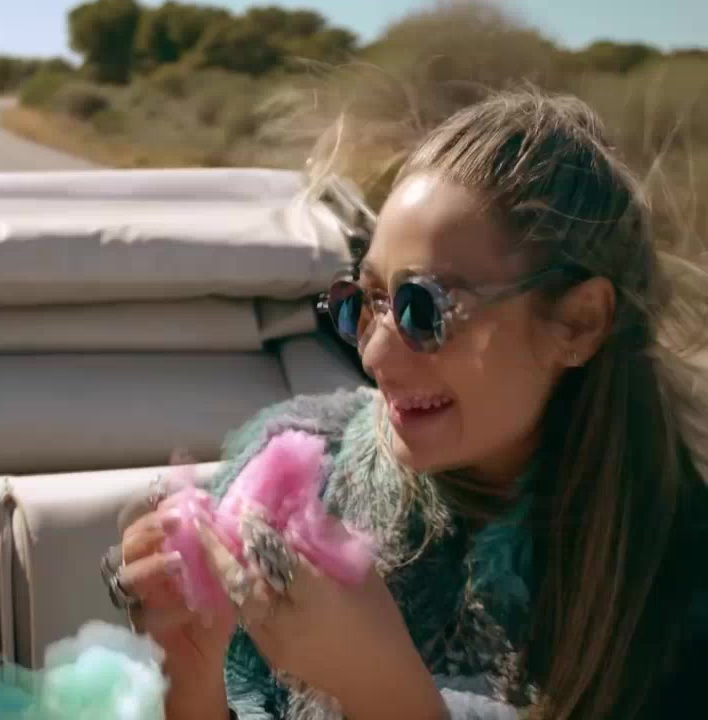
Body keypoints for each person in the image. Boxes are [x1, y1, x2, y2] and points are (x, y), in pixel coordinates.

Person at [111, 91, 708, 719]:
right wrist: (191, 674)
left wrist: (384, 692)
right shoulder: (316, 467)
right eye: (365, 301)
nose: (375, 357)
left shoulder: (682, 587)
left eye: (425, 308)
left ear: (578, 323)